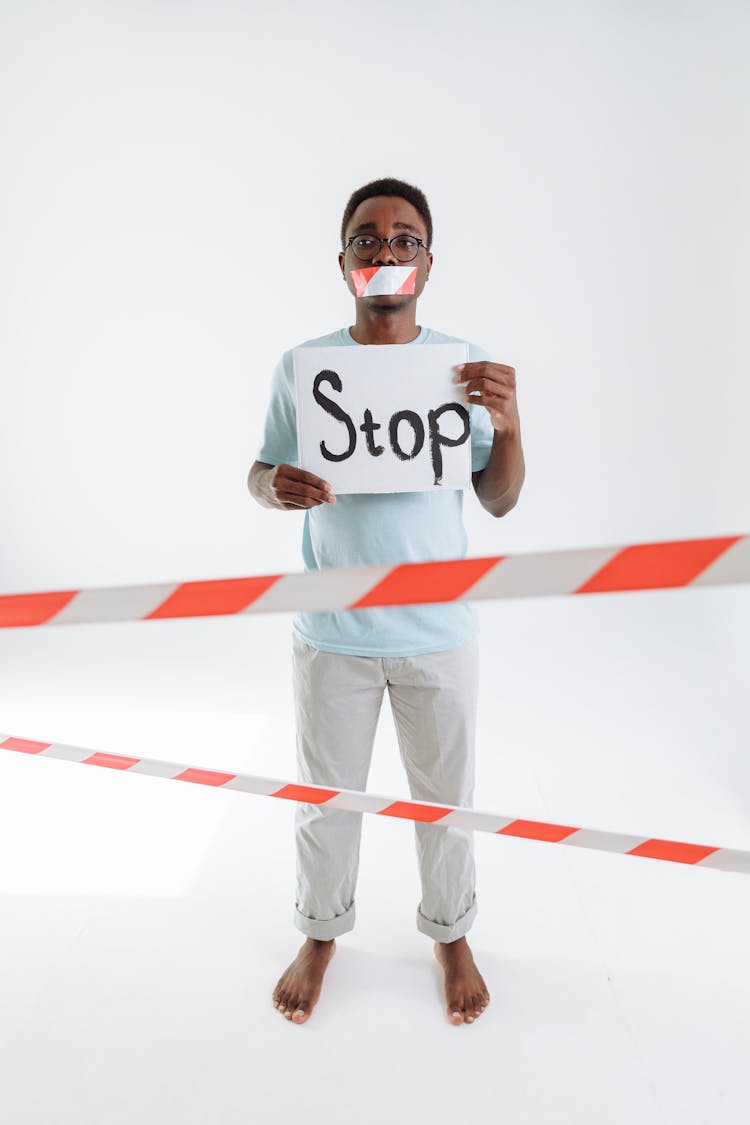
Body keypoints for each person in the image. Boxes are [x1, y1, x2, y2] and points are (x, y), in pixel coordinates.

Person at [247, 177, 525, 1026]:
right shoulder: (305, 367)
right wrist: (275, 486)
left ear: (427, 263)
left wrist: (511, 425)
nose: (386, 249)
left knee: (447, 803)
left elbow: (501, 498)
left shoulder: (461, 367)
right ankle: (321, 930)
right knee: (325, 801)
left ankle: (450, 931)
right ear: (344, 262)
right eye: (368, 238)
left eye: (405, 238)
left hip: (438, 631)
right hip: (333, 632)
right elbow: (258, 472)